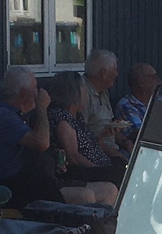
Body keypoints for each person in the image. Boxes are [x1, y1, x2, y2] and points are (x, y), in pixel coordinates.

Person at [0, 66, 63, 208]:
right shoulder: (3, 116)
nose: (38, 93)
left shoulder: (21, 116)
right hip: (11, 188)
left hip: (31, 182)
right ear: (25, 93)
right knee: (84, 196)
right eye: (36, 87)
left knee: (103, 190)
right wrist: (42, 108)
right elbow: (42, 143)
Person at [48, 71, 121, 207]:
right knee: (119, 175)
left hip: (97, 164)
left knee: (123, 165)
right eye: (84, 90)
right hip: (81, 173)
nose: (87, 94)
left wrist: (104, 135)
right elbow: (74, 156)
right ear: (74, 93)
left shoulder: (77, 116)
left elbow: (87, 146)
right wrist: (99, 169)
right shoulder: (63, 120)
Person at [116, 62, 159, 136]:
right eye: (154, 77)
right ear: (141, 82)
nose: (158, 80)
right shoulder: (126, 105)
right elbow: (140, 135)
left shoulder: (161, 100)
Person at [84, 49, 122, 129]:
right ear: (104, 73)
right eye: (115, 69)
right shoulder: (82, 93)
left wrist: (125, 141)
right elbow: (80, 131)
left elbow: (109, 124)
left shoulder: (103, 90)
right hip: (96, 141)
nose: (116, 74)